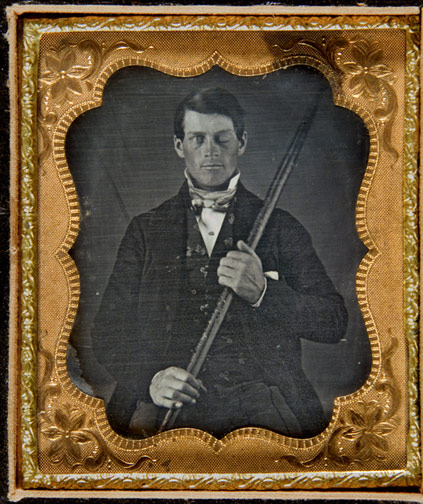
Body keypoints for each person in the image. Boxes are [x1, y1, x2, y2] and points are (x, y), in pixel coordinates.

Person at [92, 87, 348, 439]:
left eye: (222, 138)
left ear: (241, 142)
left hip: (265, 408)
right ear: (179, 145)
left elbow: (334, 322)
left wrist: (264, 292)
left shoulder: (281, 227)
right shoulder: (145, 230)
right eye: (197, 139)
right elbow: (107, 330)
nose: (210, 150)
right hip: (165, 409)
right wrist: (151, 379)